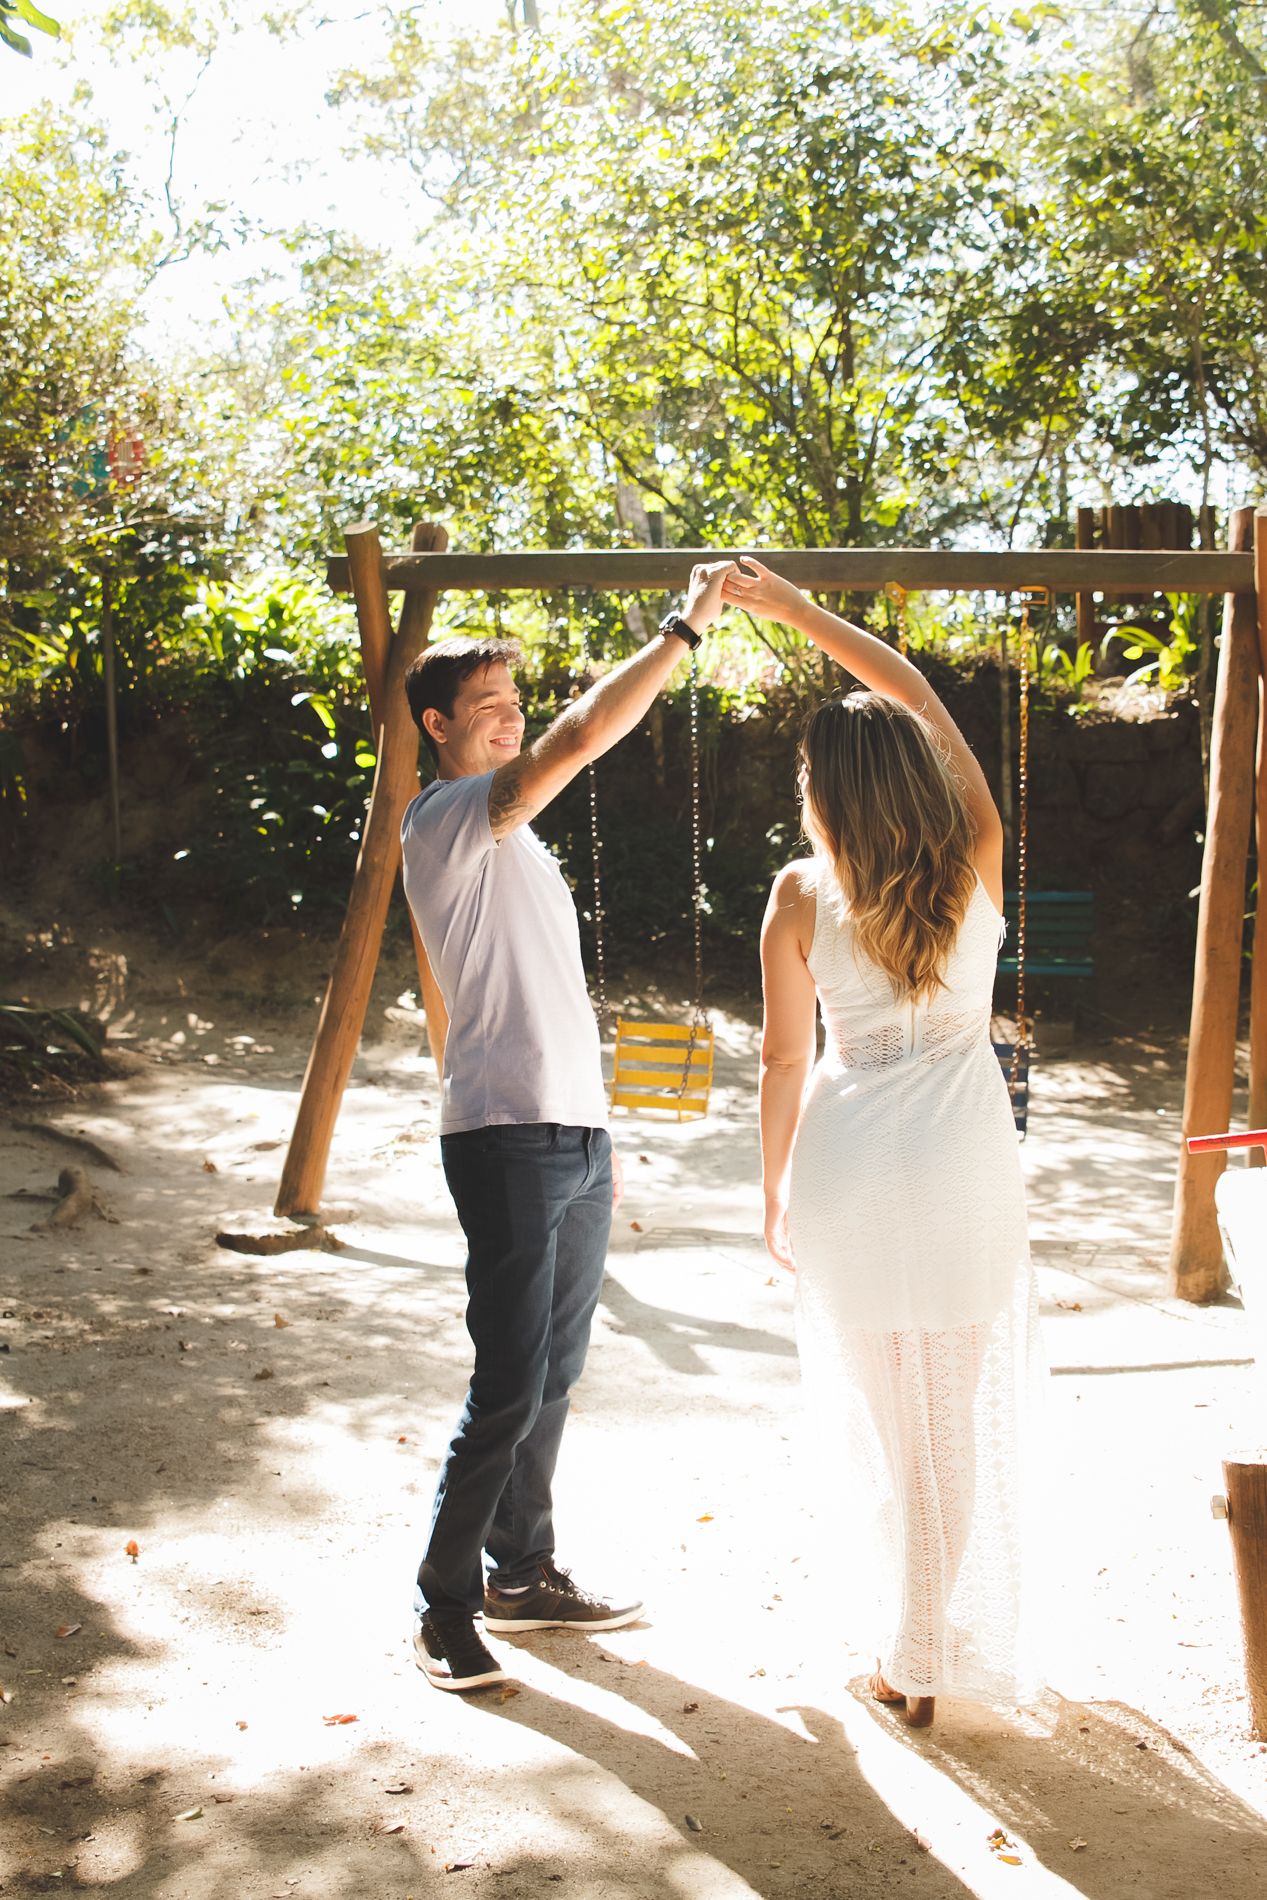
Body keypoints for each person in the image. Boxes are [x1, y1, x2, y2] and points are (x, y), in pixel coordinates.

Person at [399, 561, 735, 1692]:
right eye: (488, 708)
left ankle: (522, 1572)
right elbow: (584, 736)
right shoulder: (447, 817)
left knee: (554, 1373)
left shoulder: (521, 844)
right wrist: (684, 627)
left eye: (515, 704)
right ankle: (442, 1604)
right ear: (438, 725)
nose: (511, 720)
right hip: (502, 1133)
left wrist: (599, 1137)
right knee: (506, 1379)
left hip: (572, 1137)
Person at [724, 557, 1043, 1729]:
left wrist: (770, 1191)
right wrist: (804, 612)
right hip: (964, 1168)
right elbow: (914, 695)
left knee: (883, 1410)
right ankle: (922, 1646)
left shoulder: (798, 894)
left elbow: (780, 1062)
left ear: (823, 796)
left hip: (847, 1169)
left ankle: (910, 1642)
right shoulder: (976, 854)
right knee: (945, 1417)